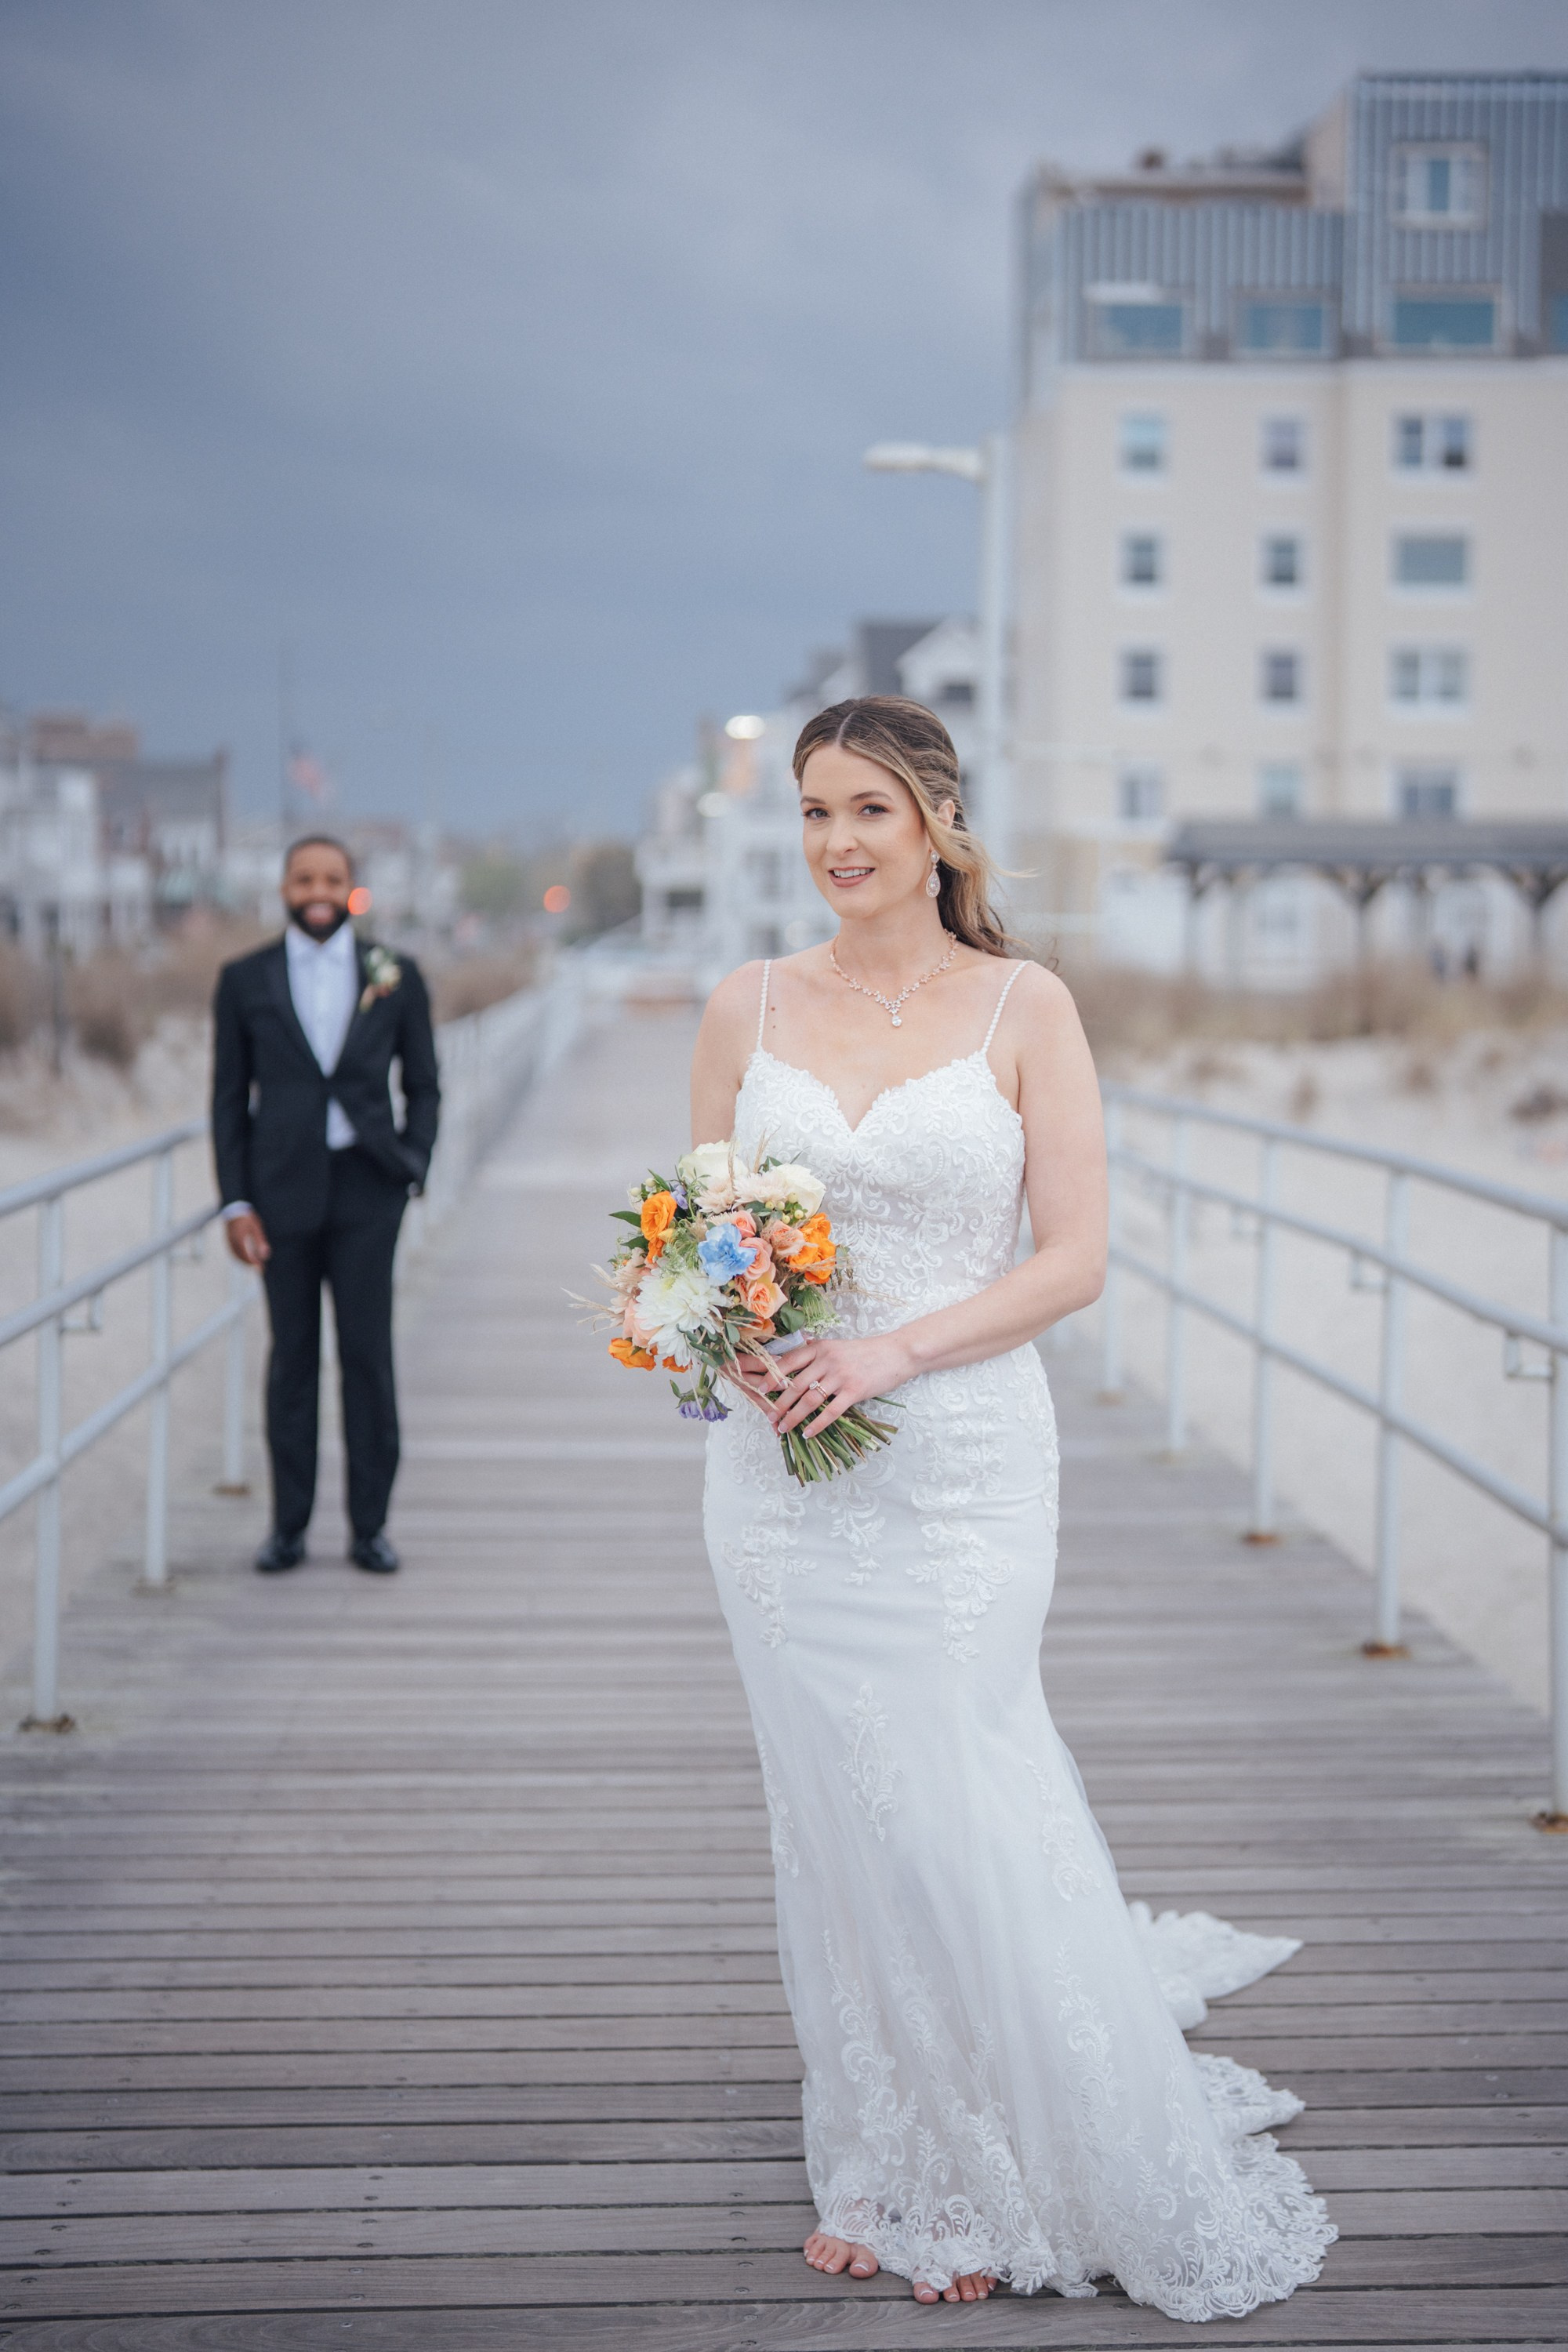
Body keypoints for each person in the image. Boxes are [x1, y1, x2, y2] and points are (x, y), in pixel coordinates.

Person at [689, 698, 1334, 2314]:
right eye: (815, 810)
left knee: (955, 1787)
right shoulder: (743, 1005)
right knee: (838, 1812)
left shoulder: (1024, 1005)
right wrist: (723, 1343)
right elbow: (701, 1242)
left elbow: (1074, 1259)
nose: (838, 841)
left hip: (964, 1461)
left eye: (870, 810)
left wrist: (894, 1349)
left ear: (937, 824)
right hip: (779, 1482)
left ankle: (1015, 2149)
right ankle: (891, 2146)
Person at [212, 834, 440, 1577]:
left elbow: (424, 1084)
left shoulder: (395, 973)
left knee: (368, 1356)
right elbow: (228, 1099)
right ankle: (288, 1527)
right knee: (292, 1360)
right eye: (304, 879)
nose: (318, 891)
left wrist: (413, 1165)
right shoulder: (243, 979)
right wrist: (235, 1201)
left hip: (370, 1189)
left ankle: (370, 1528)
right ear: (284, 888)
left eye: (331, 879)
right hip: (280, 1191)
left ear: (351, 889)